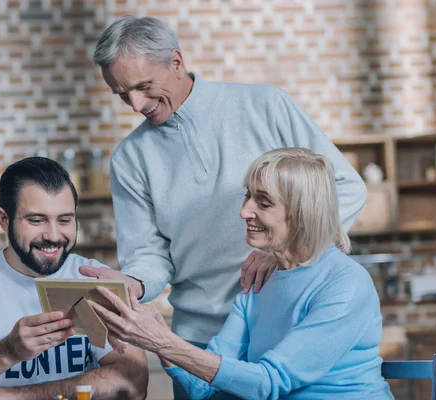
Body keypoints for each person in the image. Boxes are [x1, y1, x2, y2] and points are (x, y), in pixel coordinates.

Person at [83, 15, 366, 350]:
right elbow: (149, 253)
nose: (136, 105)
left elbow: (345, 187)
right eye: (122, 94)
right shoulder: (130, 158)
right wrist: (134, 282)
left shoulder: (265, 106)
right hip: (200, 340)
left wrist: (285, 251)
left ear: (176, 61)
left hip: (287, 326)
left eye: (143, 87)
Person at [88, 148, 393, 399]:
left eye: (264, 202)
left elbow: (269, 382)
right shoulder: (260, 281)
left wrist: (164, 343)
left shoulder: (344, 284)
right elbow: (202, 389)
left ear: (303, 211)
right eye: (248, 196)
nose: (244, 211)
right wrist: (158, 334)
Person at [0, 157, 148, 400]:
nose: (53, 235)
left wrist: (16, 396)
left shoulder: (95, 279)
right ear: (4, 219)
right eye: (36, 220)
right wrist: (5, 351)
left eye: (64, 220)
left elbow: (134, 381)